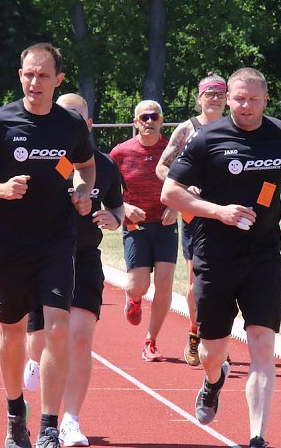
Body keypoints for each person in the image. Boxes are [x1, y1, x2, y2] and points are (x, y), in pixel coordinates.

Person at [160, 67, 281, 448]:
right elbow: (171, 192)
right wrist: (218, 211)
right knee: (211, 352)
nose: (245, 106)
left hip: (264, 256)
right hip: (214, 257)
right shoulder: (207, 139)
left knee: (262, 343)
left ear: (266, 99)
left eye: (253, 99)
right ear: (227, 99)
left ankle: (257, 438)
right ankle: (214, 380)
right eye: (238, 99)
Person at [0, 42, 95, 448]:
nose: (35, 82)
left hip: (57, 240)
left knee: (58, 329)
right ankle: (16, 415)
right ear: (20, 76)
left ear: (58, 79)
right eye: (29, 74)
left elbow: (85, 164)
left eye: (44, 75)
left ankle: (49, 426)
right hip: (10, 244)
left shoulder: (70, 125)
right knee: (12, 332)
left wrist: (84, 191)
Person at [23, 93, 124, 447]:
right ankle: (34, 361)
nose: (69, 122)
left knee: (80, 338)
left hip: (83, 257)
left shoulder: (105, 166)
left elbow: (117, 208)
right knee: (42, 342)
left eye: (77, 117)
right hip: (43, 258)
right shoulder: (41, 159)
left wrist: (115, 219)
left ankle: (69, 420)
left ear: (88, 125)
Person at [155, 73, 227, 367]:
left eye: (220, 93)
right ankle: (196, 333)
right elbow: (162, 167)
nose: (214, 98)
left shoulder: (235, 127)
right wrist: (184, 189)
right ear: (199, 97)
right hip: (195, 214)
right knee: (197, 280)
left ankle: (216, 336)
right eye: (209, 93)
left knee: (226, 279)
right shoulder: (187, 130)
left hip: (227, 212)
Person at [110, 100, 178, 363]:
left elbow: (188, 182)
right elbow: (108, 189)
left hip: (165, 224)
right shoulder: (121, 152)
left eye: (154, 117)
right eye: (144, 117)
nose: (149, 121)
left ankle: (151, 341)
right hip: (135, 225)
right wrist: (124, 207)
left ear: (161, 121)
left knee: (164, 283)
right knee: (138, 285)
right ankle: (133, 298)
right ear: (135, 122)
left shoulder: (172, 150)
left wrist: (176, 206)